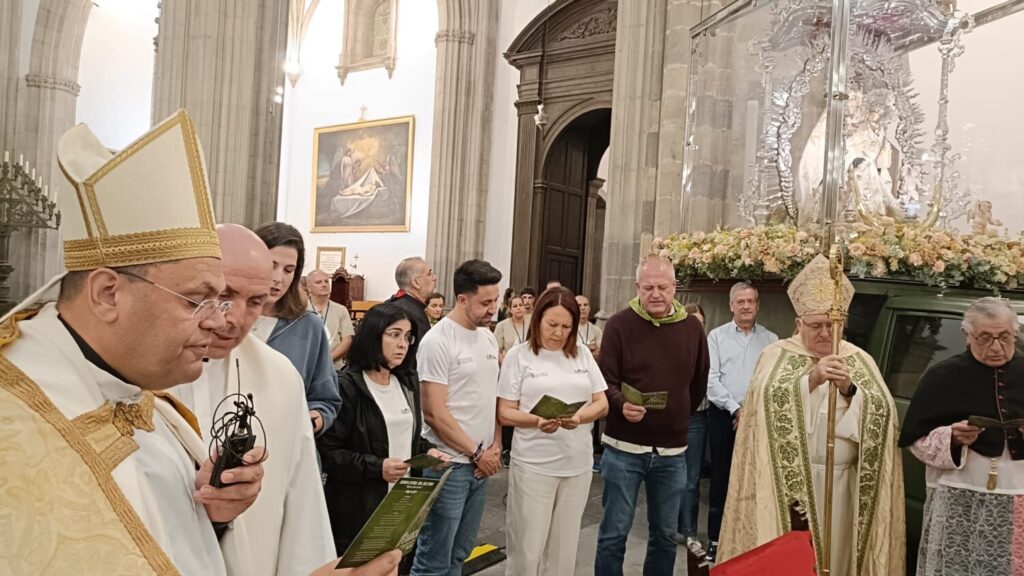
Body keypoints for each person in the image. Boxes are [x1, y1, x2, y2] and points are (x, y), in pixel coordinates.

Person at [0, 111, 262, 573]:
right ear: (107, 294)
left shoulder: (155, 406)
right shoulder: (15, 419)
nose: (218, 322)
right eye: (197, 300)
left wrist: (217, 516)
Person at [718, 255, 904, 576]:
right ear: (799, 323)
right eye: (816, 326)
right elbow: (762, 406)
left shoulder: (859, 359)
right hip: (787, 487)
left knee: (839, 555)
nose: (825, 334)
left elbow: (884, 414)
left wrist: (849, 389)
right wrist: (811, 380)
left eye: (833, 326)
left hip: (844, 485)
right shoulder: (776, 355)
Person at [171, 224, 336, 576]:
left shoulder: (281, 377)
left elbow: (302, 499)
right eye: (224, 295)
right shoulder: (142, 371)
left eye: (255, 302)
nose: (234, 319)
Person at [595, 255, 710, 576]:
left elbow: (698, 382)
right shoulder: (619, 325)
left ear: (675, 287)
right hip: (623, 448)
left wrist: (676, 417)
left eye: (662, 287)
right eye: (648, 288)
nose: (656, 294)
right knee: (614, 533)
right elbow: (603, 381)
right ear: (637, 287)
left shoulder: (691, 328)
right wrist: (621, 404)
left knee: (664, 535)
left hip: (672, 452)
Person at [899, 297, 1024, 576]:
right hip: (961, 492)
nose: (996, 347)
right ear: (967, 335)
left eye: (1004, 337)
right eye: (985, 338)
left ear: (1014, 333)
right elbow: (916, 440)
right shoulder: (942, 376)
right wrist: (952, 438)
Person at [319, 302, 450, 555]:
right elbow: (329, 454)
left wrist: (429, 451)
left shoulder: (405, 382)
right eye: (394, 334)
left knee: (396, 565)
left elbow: (405, 437)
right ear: (373, 335)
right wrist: (377, 467)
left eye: (408, 337)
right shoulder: (346, 386)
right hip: (359, 507)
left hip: (401, 503)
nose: (403, 344)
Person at [497, 287, 609, 575]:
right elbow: (505, 411)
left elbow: (602, 403)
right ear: (537, 320)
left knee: (563, 551)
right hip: (534, 464)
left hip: (576, 464)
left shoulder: (582, 355)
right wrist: (536, 421)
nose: (558, 333)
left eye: (566, 326)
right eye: (552, 324)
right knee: (527, 548)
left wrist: (580, 417)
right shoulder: (519, 356)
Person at [412, 259, 504, 576]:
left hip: (481, 464)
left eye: (496, 300)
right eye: (485, 302)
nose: (493, 309)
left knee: (460, 554)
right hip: (448, 464)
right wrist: (477, 453)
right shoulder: (438, 341)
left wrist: (495, 447)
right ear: (462, 299)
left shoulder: (488, 337)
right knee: (434, 557)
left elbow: (492, 398)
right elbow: (434, 413)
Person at [705, 282, 778, 560]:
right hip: (725, 417)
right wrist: (737, 410)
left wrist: (751, 412)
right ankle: (716, 539)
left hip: (758, 418)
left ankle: (750, 538)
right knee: (722, 477)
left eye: (751, 301)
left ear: (757, 305)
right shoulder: (716, 337)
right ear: (731, 305)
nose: (746, 306)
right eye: (741, 302)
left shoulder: (771, 340)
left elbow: (773, 380)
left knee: (755, 477)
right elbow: (711, 380)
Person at [252, 222, 341, 434]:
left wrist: (311, 421)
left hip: (284, 441)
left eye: (288, 270)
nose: (278, 278)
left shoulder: (309, 326)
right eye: (271, 265)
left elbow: (325, 399)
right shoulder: (222, 317)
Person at [676, 303, 709, 546]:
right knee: (667, 476)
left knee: (691, 478)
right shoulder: (674, 345)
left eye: (700, 323)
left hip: (698, 417)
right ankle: (667, 527)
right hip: (674, 417)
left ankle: (689, 531)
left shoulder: (710, 346)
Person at [386, 257, 437, 364]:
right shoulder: (409, 313)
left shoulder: (395, 304)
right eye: (430, 273)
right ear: (416, 282)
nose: (434, 277)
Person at [307, 269, 356, 370]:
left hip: (334, 367)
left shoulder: (341, 310)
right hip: (306, 365)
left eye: (326, 281)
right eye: (318, 282)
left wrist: (327, 359)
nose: (324, 284)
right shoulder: (300, 309)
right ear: (309, 288)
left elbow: (347, 340)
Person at [494, 295, 529, 363]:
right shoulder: (501, 325)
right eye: (515, 306)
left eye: (521, 305)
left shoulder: (531, 323)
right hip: (509, 363)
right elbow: (496, 350)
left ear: (524, 307)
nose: (518, 308)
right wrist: (505, 365)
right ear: (510, 310)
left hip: (528, 363)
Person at [575, 294, 603, 359]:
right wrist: (590, 347)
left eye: (585, 305)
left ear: (589, 308)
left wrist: (579, 349)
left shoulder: (597, 330)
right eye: (579, 305)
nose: (583, 308)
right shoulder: (568, 328)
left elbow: (600, 353)